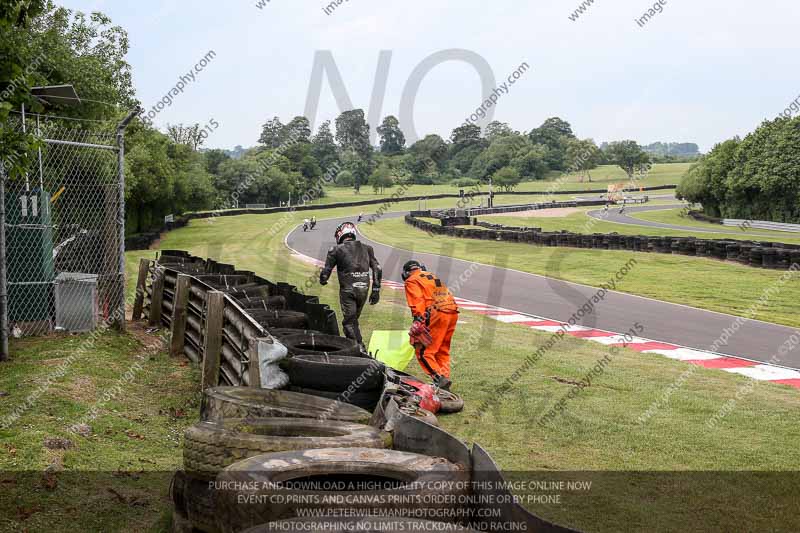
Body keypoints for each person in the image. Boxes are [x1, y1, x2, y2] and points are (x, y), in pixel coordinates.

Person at [319, 222, 381, 354]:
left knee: (348, 323)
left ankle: (358, 350)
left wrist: (323, 279)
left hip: (348, 289)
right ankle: (358, 346)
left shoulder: (335, 250)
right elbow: (377, 268)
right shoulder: (368, 248)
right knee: (353, 321)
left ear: (340, 234)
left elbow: (326, 272)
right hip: (364, 288)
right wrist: (376, 289)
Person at [402, 260, 459, 390]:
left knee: (423, 352)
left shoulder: (411, 280)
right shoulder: (432, 276)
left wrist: (418, 321)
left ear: (406, 273)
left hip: (435, 313)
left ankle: (439, 379)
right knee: (442, 350)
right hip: (452, 312)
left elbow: (417, 301)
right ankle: (444, 380)